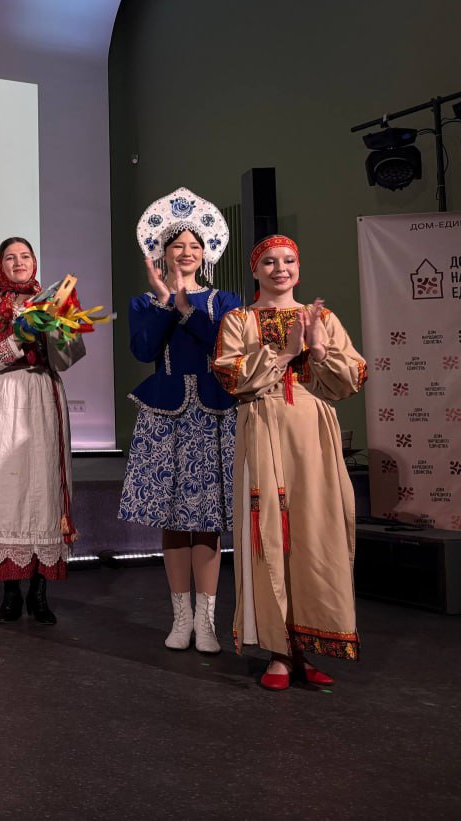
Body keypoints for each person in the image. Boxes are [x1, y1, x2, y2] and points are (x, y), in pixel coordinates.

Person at [213, 235, 366, 690]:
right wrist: (285, 350)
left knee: (316, 532)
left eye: (289, 261)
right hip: (263, 427)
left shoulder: (324, 319)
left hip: (312, 432)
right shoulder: (239, 319)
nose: (280, 268)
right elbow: (229, 375)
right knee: (269, 533)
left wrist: (316, 348)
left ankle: (306, 646)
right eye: (270, 262)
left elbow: (350, 379)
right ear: (255, 270)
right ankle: (279, 653)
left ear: (298, 268)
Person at [118, 187, 241, 654]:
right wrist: (167, 302)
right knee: (172, 519)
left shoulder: (225, 300)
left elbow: (224, 348)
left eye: (194, 245)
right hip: (165, 413)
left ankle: (207, 622)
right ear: (162, 253)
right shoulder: (144, 303)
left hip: (213, 414)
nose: (186, 252)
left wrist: (187, 309)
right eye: (177, 245)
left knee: (207, 520)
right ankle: (181, 618)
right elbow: (144, 350)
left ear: (205, 253)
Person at [0, 237, 85, 624]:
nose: (19, 263)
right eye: (10, 258)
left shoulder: (54, 300)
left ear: (34, 262)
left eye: (25, 256)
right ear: (0, 264)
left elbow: (68, 357)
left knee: (43, 488)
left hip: (43, 394)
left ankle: (40, 590)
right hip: (2, 397)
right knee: (6, 489)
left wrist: (54, 328)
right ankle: (10, 590)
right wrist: (19, 338)